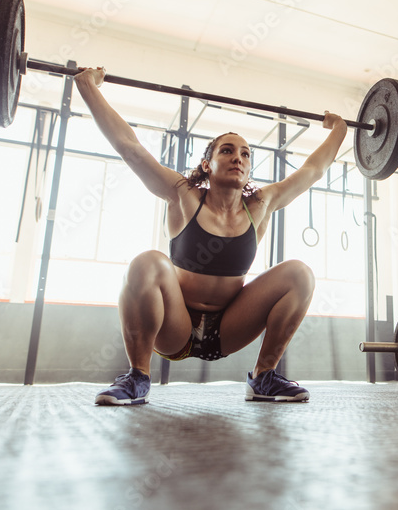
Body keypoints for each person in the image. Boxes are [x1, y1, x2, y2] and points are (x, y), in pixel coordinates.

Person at [73, 67, 348, 405]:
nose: (238, 158)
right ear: (207, 164)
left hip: (229, 330)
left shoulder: (260, 205)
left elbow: (313, 170)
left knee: (299, 274)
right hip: (175, 326)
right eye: (228, 150)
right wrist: (87, 86)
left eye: (246, 154)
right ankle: (137, 377)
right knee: (147, 262)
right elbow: (129, 147)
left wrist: (341, 129)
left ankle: (264, 377)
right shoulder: (183, 195)